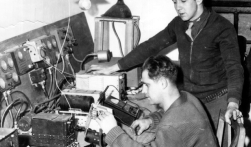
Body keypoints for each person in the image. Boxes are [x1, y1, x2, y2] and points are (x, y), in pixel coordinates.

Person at [88, 0, 244, 129]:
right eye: (175, 2)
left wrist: (233, 104)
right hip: (190, 98)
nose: (178, 7)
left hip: (216, 100)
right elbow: (151, 46)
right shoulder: (178, 24)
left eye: (183, 1)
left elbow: (234, 68)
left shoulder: (222, 27)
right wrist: (114, 68)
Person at [95, 55, 229, 147]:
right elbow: (168, 113)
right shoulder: (185, 97)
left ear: (163, 83)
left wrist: (112, 131)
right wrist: (150, 121)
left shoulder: (175, 124)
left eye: (147, 85)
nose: (144, 91)